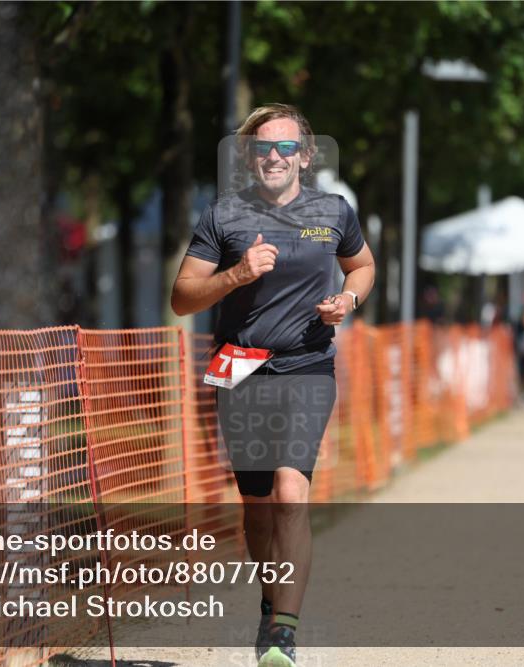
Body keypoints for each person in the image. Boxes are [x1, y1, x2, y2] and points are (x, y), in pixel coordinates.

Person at [171, 104, 375, 667]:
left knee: (291, 493)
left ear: (305, 156)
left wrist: (348, 300)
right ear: (250, 156)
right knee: (257, 508)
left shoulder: (333, 212)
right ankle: (271, 600)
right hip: (239, 368)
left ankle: (283, 632)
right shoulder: (225, 216)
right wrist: (237, 273)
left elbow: (362, 266)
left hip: (307, 364)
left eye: (286, 147)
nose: (275, 157)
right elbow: (182, 296)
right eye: (265, 148)